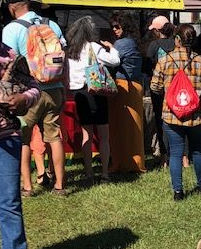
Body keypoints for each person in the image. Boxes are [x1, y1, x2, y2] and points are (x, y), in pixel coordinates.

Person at [2, 0, 67, 195]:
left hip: (28, 92)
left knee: (23, 138)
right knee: (54, 136)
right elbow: (63, 54)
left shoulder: (12, 29)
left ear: (12, 8)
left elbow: (7, 64)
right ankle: (59, 185)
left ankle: (28, 186)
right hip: (55, 87)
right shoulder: (52, 25)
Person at [150, 24, 201, 200]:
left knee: (176, 153)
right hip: (196, 115)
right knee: (198, 151)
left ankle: (178, 192)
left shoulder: (165, 60)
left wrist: (168, 93)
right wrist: (199, 96)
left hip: (171, 115)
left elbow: (154, 86)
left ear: (177, 39)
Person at [0, 40, 40, 249]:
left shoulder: (9, 54)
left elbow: (35, 88)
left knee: (9, 205)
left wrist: (24, 98)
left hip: (6, 136)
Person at [66, 16, 120, 185]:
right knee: (104, 134)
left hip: (78, 93)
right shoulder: (94, 47)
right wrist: (112, 48)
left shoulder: (70, 50)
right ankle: (104, 173)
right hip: (96, 92)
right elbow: (115, 61)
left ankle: (88, 173)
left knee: (86, 134)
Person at [107, 12, 145, 173]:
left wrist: (109, 48)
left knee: (121, 128)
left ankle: (122, 163)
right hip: (136, 85)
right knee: (135, 128)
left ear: (125, 27)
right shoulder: (134, 42)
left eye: (117, 26)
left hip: (124, 87)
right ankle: (136, 162)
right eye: (113, 27)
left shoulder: (121, 44)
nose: (115, 30)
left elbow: (112, 62)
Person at [147, 16, 176, 165]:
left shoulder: (154, 45)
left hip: (159, 88)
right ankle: (182, 157)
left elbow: (146, 66)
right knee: (179, 119)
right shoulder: (178, 43)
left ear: (158, 31)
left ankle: (165, 157)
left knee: (161, 120)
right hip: (177, 87)